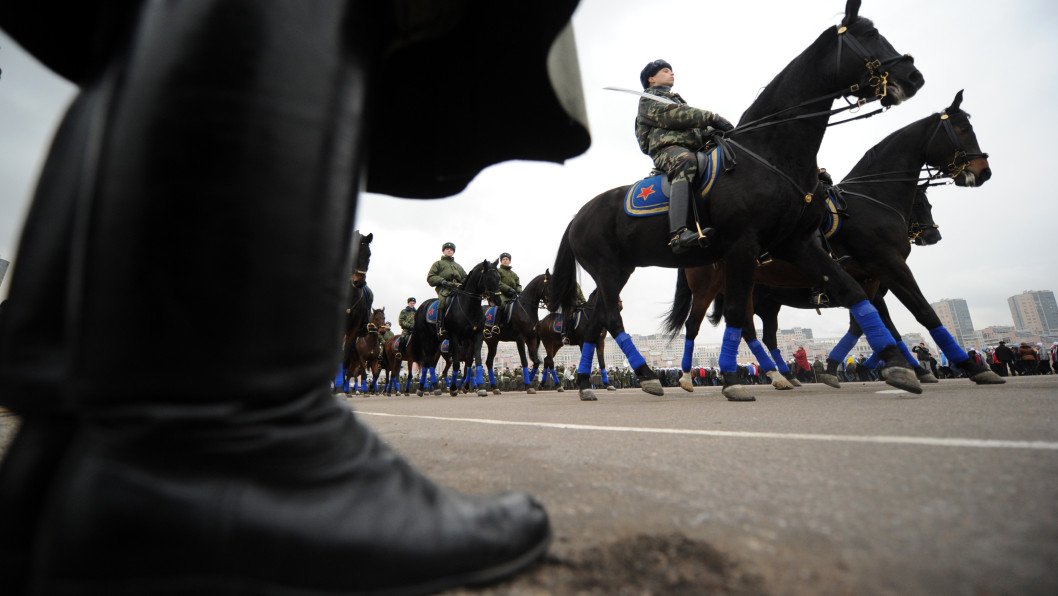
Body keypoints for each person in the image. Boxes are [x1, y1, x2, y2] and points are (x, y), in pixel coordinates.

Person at [0, 3, 589, 594]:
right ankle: (228, 446)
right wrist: (445, 287)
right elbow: (440, 284)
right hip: (436, 297)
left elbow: (506, 288)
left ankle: (64, 441)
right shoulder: (443, 265)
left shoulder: (493, 273)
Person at [635, 59, 735, 253]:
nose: (672, 74)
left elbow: (694, 128)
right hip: (668, 150)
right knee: (685, 161)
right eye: (665, 71)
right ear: (651, 79)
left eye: (672, 71)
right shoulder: (648, 100)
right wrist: (712, 117)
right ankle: (678, 234)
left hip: (693, 147)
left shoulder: (676, 99)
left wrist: (713, 131)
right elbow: (675, 116)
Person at [426, 242, 467, 337]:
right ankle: (440, 326)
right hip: (444, 288)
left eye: (451, 249)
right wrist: (443, 281)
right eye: (447, 249)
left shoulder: (458, 266)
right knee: (443, 301)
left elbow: (465, 277)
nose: (449, 250)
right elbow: (430, 277)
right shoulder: (438, 264)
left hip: (458, 288)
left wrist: (464, 282)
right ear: (443, 251)